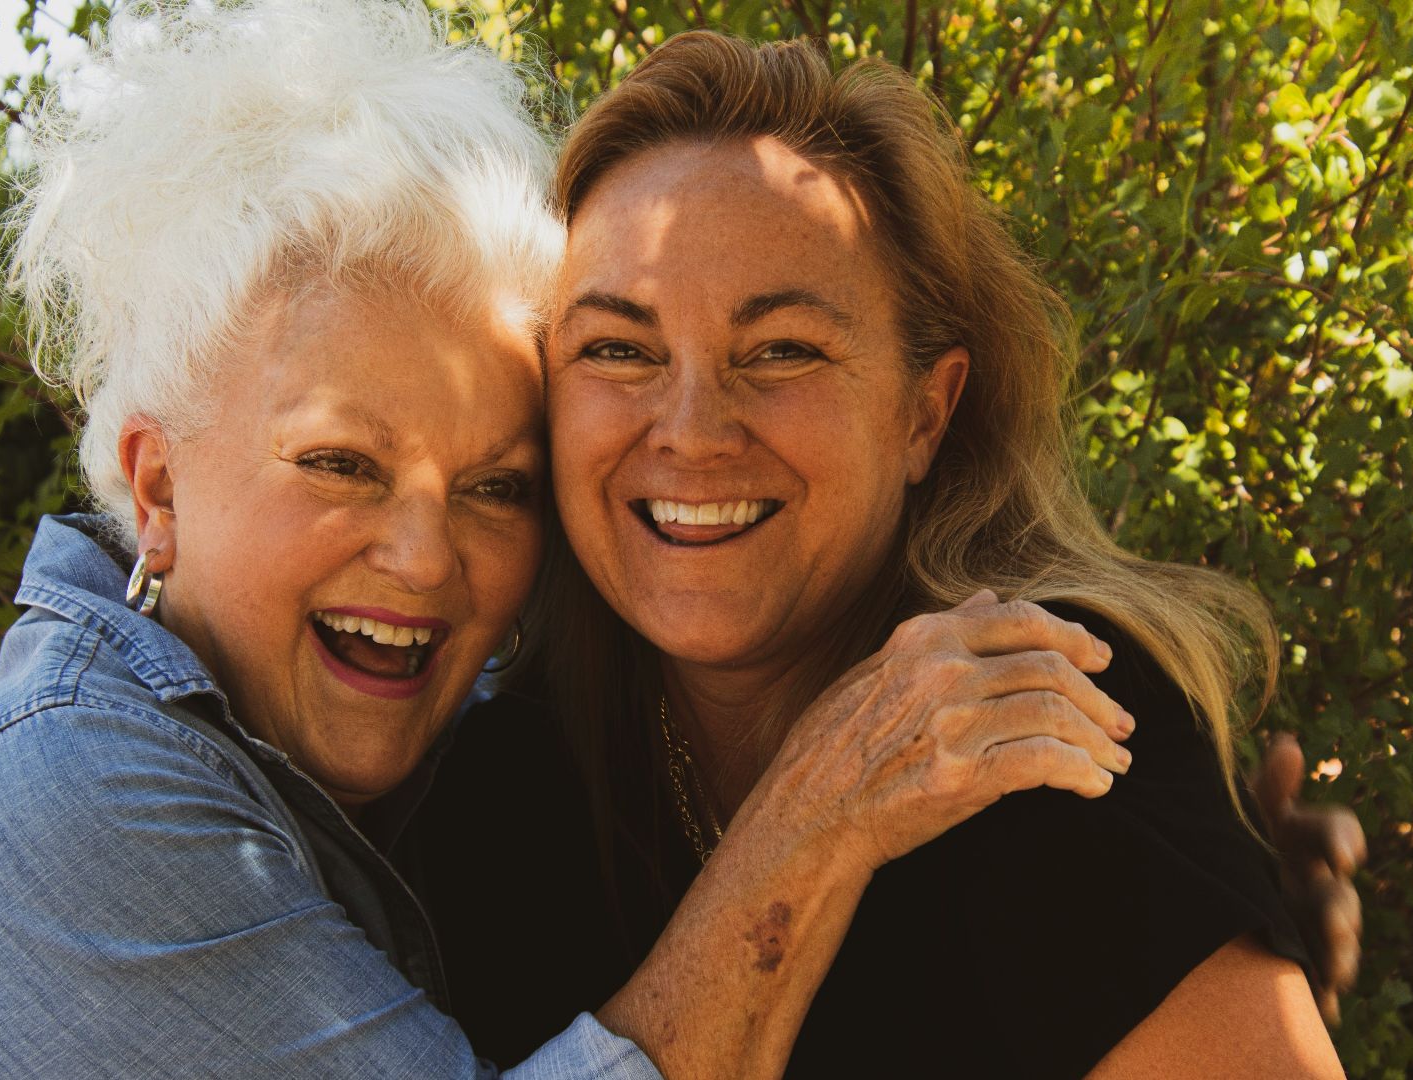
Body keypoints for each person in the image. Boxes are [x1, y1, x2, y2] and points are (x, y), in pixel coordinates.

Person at [0, 5, 1143, 1077]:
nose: (428, 561)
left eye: (496, 488)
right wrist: (820, 808)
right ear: (156, 487)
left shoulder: (428, 758)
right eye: (339, 463)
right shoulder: (62, 801)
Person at [395, 30, 1354, 1078]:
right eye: (618, 349)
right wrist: (814, 820)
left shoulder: (1034, 721)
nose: (692, 429)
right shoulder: (504, 786)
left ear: (922, 416)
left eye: (782, 351)